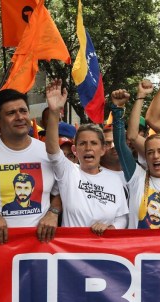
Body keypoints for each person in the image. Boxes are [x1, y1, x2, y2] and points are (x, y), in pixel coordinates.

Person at [0, 89, 61, 245]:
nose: (20, 117)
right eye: (11, 113)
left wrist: (53, 213)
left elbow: (65, 189)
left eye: (23, 111)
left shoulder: (49, 152)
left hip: (41, 248)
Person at [44, 80, 128, 234]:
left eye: (94, 143)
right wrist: (54, 112)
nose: (88, 148)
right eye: (83, 143)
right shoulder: (68, 172)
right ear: (75, 150)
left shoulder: (115, 180)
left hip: (105, 252)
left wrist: (111, 228)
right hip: (72, 251)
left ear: (103, 149)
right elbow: (52, 149)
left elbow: (122, 217)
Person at [110, 90, 160, 232]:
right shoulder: (137, 177)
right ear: (145, 157)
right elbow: (121, 145)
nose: (156, 156)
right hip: (135, 252)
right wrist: (118, 109)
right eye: (150, 152)